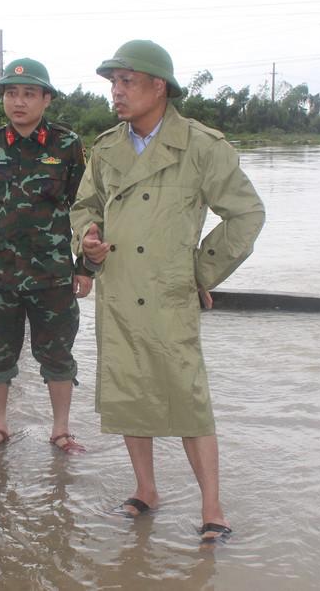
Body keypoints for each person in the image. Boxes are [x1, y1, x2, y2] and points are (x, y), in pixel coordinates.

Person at [70, 40, 265, 539]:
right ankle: (146, 490)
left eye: (126, 81)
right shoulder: (108, 146)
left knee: (187, 400)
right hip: (118, 292)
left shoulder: (201, 147)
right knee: (130, 392)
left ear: (160, 86)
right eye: (112, 82)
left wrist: (201, 272)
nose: (115, 91)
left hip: (169, 294)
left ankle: (213, 510)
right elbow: (84, 205)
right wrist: (87, 238)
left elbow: (246, 213)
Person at [0, 58, 93, 455]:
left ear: (46, 99)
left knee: (58, 355)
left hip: (52, 275)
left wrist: (85, 267)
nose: (19, 102)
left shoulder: (66, 146)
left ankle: (61, 431)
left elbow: (85, 209)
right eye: (11, 93)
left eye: (29, 94)